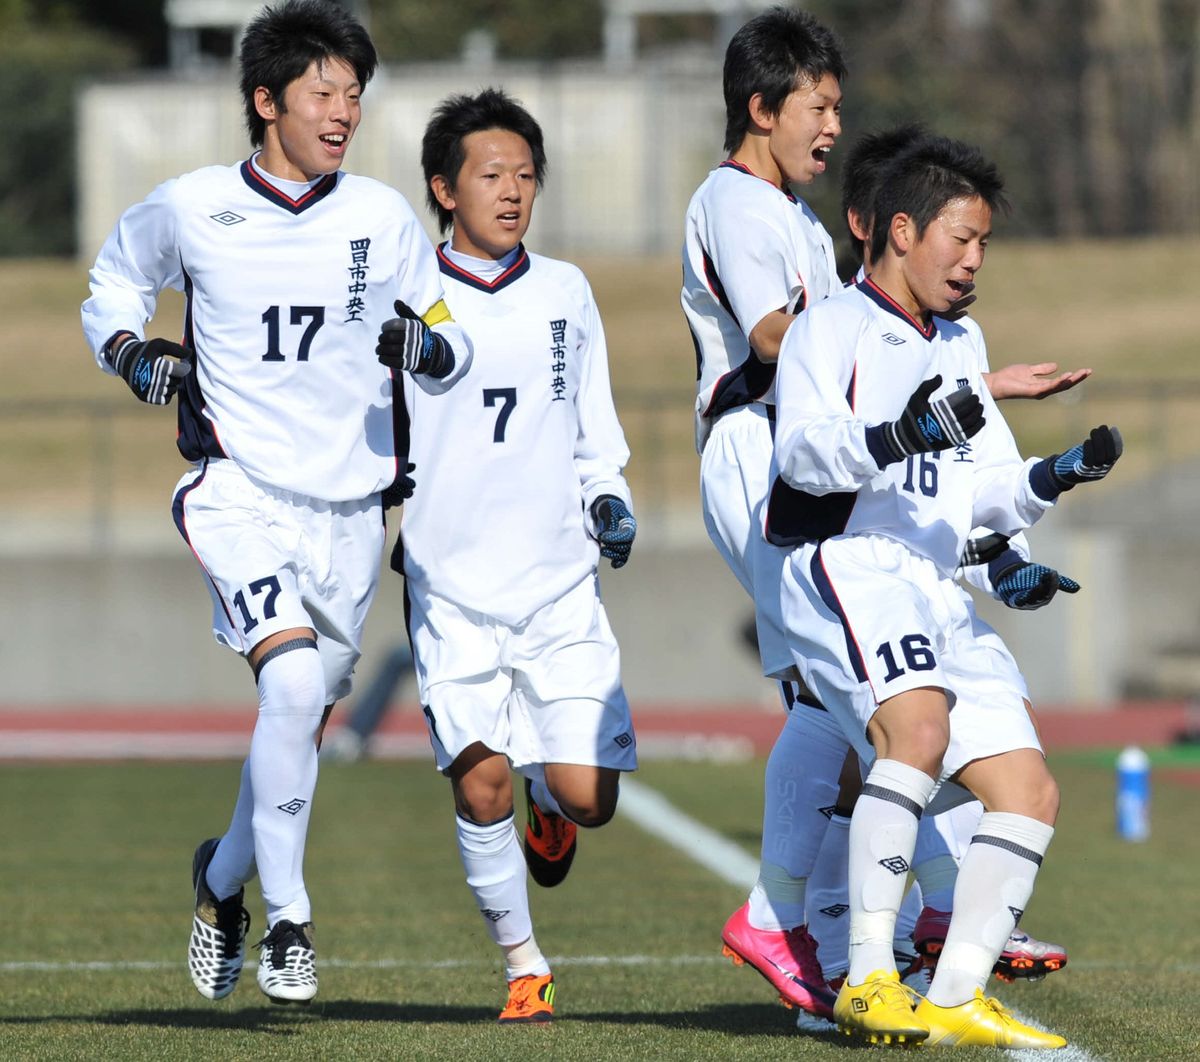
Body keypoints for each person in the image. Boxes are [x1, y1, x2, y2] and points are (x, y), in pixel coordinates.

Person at [80, 0, 471, 1006]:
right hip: (235, 491)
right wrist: (131, 354)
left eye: (353, 94)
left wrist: (426, 348)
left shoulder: (382, 218)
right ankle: (292, 923)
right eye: (322, 92)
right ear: (267, 101)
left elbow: (447, 335)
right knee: (292, 693)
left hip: (350, 513)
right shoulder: (193, 204)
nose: (342, 111)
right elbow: (113, 282)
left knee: (297, 716)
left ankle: (219, 884)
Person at [769, 133, 1122, 1047]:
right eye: (959, 240)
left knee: (1030, 791)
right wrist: (902, 432)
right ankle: (869, 978)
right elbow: (804, 455)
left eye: (983, 246)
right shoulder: (829, 326)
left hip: (933, 581)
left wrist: (1058, 474)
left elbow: (985, 490)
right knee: (915, 731)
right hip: (851, 564)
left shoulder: (964, 342)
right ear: (898, 231)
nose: (972, 263)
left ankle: (957, 991)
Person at [395, 87, 638, 1024]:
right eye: (491, 175)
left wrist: (608, 502)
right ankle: (523, 965)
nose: (512, 192)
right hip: (450, 588)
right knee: (481, 777)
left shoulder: (566, 291)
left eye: (526, 176)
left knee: (588, 798)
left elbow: (595, 432)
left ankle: (552, 809)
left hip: (557, 586)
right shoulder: (406, 293)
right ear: (443, 189)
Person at [681, 6, 849, 1021]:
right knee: (844, 683)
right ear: (761, 107)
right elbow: (776, 337)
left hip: (800, 455)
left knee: (833, 690)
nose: (832, 126)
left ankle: (821, 951)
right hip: (759, 450)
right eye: (817, 106)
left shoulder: (800, 219)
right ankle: (805, 921)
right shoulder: (739, 202)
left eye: (837, 107)